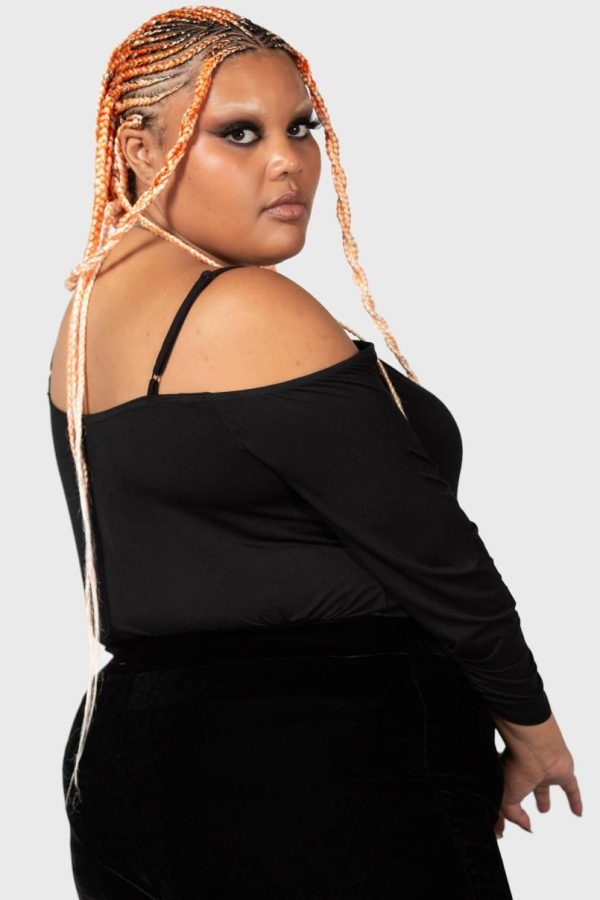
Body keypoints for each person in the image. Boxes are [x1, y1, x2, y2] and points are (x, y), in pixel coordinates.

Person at [47, 7, 582, 899]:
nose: (288, 161)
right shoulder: (248, 306)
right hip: (324, 754)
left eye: (302, 127)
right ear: (138, 147)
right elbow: (433, 554)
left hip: (126, 759)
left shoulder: (87, 313)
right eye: (239, 134)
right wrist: (532, 730)